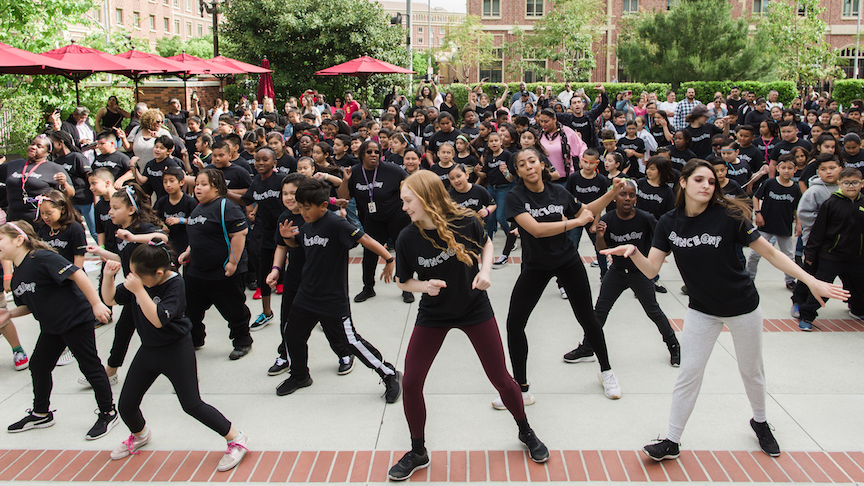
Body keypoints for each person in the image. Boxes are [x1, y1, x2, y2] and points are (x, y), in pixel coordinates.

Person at [599, 159, 848, 462]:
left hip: (742, 307)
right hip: (702, 311)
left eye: (711, 182)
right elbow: (651, 270)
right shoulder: (668, 222)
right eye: (699, 180)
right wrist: (634, 252)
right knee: (689, 374)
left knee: (751, 372)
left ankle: (760, 422)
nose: (707, 186)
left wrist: (811, 281)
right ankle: (672, 440)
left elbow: (770, 252)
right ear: (684, 183)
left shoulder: (729, 216)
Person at [388, 171, 550, 481]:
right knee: (410, 383)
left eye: (408, 201)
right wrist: (424, 287)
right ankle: (418, 451)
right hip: (433, 314)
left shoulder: (465, 221)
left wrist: (486, 271)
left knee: (501, 377)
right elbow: (402, 281)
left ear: (425, 198)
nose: (404, 207)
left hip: (474, 308)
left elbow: (488, 244)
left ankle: (525, 430)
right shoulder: (407, 237)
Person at [101, 242, 249, 472]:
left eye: (138, 276)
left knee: (191, 404)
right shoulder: (142, 279)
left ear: (158, 273)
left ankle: (236, 438)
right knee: (126, 405)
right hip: (149, 350)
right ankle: (140, 434)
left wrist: (139, 290)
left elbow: (158, 319)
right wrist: (108, 277)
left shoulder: (175, 284)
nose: (133, 279)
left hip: (176, 350)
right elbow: (110, 299)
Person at [500, 147, 625, 407]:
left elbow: (584, 210)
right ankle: (521, 389)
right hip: (535, 267)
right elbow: (535, 230)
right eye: (522, 164)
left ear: (542, 164)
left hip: (568, 262)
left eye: (532, 161)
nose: (529, 166)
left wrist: (612, 192)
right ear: (518, 172)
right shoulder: (515, 197)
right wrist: (574, 223)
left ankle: (606, 372)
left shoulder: (559, 191)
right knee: (514, 324)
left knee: (587, 318)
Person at [275, 178, 403, 400]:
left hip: (331, 299)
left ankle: (389, 373)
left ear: (323, 206)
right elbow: (301, 243)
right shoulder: (307, 225)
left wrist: (388, 259)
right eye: (300, 207)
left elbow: (366, 240)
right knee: (292, 335)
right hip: (306, 296)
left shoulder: (336, 224)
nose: (302, 212)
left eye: (307, 208)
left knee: (350, 341)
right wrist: (288, 239)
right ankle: (300, 375)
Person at [1, 220, 118, 439]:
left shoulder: (41, 258)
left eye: (0, 239)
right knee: (38, 365)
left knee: (89, 366)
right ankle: (41, 413)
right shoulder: (18, 273)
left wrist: (96, 304)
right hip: (52, 326)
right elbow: (29, 305)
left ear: (18, 240)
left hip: (75, 319)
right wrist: (9, 315)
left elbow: (77, 274)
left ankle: (108, 412)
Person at [564, 180, 680, 366]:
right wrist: (600, 236)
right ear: (615, 198)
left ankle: (673, 345)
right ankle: (587, 347)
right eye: (622, 194)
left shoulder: (646, 218)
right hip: (616, 272)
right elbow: (602, 249)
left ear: (636, 198)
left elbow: (663, 242)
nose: (627, 198)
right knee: (599, 311)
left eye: (631, 195)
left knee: (653, 311)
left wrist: (653, 258)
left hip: (640, 273)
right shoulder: (608, 219)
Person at [264, 173, 353, 377]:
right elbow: (280, 246)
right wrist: (276, 270)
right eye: (284, 193)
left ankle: (344, 352)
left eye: (293, 193)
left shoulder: (322, 216)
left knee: (332, 323)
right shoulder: (284, 218)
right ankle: (286, 355)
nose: (288, 198)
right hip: (296, 276)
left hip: (323, 279)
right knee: (288, 321)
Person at [179, 169, 253, 360]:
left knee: (234, 310)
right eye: (196, 185)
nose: (198, 188)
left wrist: (232, 262)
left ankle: (242, 341)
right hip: (197, 270)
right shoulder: (198, 207)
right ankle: (195, 339)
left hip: (223, 272)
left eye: (203, 184)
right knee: (191, 310)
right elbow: (197, 234)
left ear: (217, 187)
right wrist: (189, 251)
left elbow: (239, 235)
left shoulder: (226, 207)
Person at [336, 140, 413, 304]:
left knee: (403, 251)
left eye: (377, 152)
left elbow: (411, 185)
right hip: (372, 219)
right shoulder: (354, 172)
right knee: (369, 254)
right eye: (369, 152)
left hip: (396, 218)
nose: (373, 155)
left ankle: (406, 287)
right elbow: (345, 197)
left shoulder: (392, 170)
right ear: (362, 154)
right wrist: (345, 180)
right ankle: (368, 288)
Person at [797, 167, 864, 330]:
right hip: (831, 255)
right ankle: (806, 315)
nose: (851, 186)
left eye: (855, 182)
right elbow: (818, 231)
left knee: (860, 288)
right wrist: (810, 254)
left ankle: (857, 310)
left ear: (862, 183)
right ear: (840, 183)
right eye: (847, 183)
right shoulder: (831, 203)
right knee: (822, 288)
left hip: (858, 257)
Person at [241, 148, 287, 330]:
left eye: (265, 160)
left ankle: (322, 313)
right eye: (257, 160)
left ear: (274, 162)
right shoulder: (256, 183)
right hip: (266, 232)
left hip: (288, 229)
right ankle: (266, 313)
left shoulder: (282, 180)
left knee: (306, 270)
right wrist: (223, 192)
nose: (260, 163)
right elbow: (246, 200)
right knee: (263, 272)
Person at [747, 155, 801, 290]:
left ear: (795, 169)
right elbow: (756, 197)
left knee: (788, 255)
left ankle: (790, 280)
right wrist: (757, 213)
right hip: (765, 225)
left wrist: (799, 223)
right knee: (754, 254)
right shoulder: (769, 183)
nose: (786, 171)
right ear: (777, 168)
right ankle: (749, 279)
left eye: (790, 168)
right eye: (783, 168)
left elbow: (797, 208)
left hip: (784, 226)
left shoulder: (795, 188)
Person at [0, 135, 74, 222]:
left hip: (40, 221)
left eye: (39, 146)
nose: (33, 147)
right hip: (14, 219)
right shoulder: (13, 165)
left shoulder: (54, 168)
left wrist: (63, 183)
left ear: (48, 152)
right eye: (32, 144)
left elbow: (70, 194)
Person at [565, 149, 609, 280]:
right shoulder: (574, 177)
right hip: (576, 218)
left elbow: (601, 204)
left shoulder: (601, 180)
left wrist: (595, 223)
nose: (588, 166)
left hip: (593, 218)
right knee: (572, 247)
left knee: (600, 248)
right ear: (581, 161)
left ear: (597, 164)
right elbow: (568, 199)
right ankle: (568, 278)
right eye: (585, 162)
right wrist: (574, 218)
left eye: (591, 163)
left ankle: (605, 275)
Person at [153, 167, 198, 263]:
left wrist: (181, 220)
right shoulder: (162, 201)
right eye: (165, 182)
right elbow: (154, 217)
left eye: (171, 181)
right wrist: (162, 226)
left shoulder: (190, 202)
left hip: (186, 242)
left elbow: (197, 221)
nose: (168, 185)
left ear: (181, 182)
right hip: (169, 242)